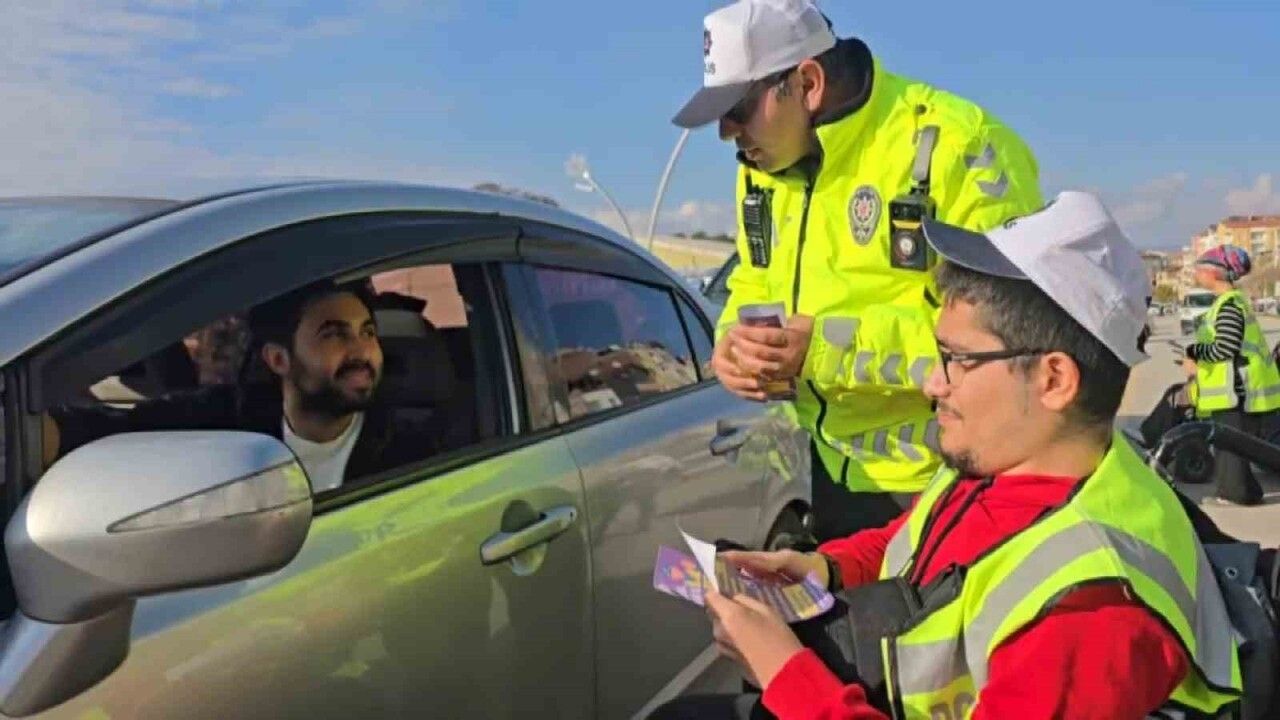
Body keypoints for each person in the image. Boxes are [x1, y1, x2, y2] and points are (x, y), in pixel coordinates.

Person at [650, 193, 1243, 719]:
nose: (933, 383)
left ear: (1054, 379)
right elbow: (913, 545)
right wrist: (821, 569)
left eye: (958, 359)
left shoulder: (1092, 614)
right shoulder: (1006, 465)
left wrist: (784, 672)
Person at [672, 0, 1043, 540]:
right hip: (828, 480)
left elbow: (1010, 336)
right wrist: (734, 343)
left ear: (807, 83)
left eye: (739, 109)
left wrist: (824, 350)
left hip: (957, 483)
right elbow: (753, 277)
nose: (727, 134)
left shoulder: (960, 145)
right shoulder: (761, 170)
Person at [45, 280, 439, 491]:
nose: (361, 352)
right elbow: (110, 432)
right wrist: (42, 434)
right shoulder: (228, 420)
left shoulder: (414, 447)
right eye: (334, 335)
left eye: (367, 333)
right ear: (278, 360)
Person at [1178, 245, 1280, 506]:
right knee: (1236, 445)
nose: (1197, 274)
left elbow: (1225, 348)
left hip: (1237, 391)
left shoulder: (1229, 306)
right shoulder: (1229, 303)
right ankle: (1248, 491)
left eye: (1200, 269)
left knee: (1229, 447)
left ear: (1215, 273)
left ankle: (1235, 495)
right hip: (1237, 390)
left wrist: (1194, 353)